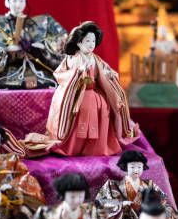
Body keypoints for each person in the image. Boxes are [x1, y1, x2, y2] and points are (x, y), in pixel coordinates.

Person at [22, 21, 139, 156]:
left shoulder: (97, 59)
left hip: (94, 93)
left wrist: (109, 75)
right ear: (78, 43)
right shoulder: (71, 59)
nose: (91, 44)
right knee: (80, 111)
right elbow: (59, 74)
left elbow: (109, 73)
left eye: (93, 41)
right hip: (76, 95)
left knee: (103, 108)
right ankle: (73, 147)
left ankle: (97, 148)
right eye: (87, 40)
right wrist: (76, 73)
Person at [96, 150, 178, 219]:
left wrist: (162, 216)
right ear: (125, 167)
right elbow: (101, 205)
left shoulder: (149, 184)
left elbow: (163, 202)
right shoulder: (111, 185)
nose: (136, 170)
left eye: (139, 167)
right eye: (132, 167)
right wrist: (121, 204)